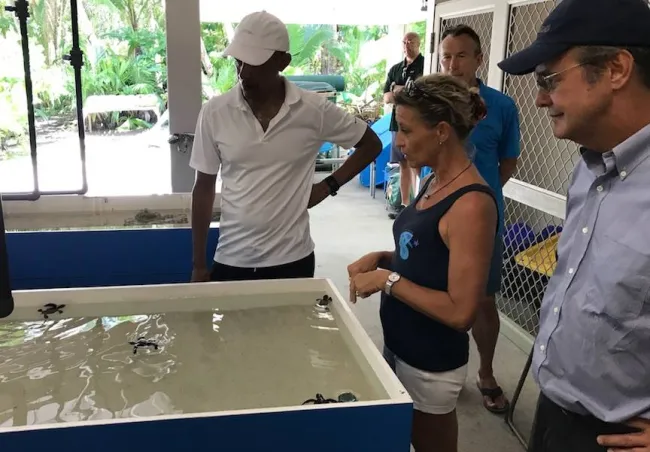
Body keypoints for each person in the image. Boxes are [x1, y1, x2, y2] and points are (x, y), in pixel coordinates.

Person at [497, 0, 650, 450]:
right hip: (555, 412)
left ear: (616, 69)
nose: (541, 98)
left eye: (550, 79)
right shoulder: (589, 166)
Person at [348, 74, 498, 452]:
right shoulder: (434, 181)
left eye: (407, 130)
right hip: (402, 343)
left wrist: (386, 279)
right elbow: (426, 255)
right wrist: (383, 258)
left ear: (442, 131)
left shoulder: (471, 204)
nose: (397, 141)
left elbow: (461, 311)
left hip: (430, 361)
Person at [189, 11, 382, 282]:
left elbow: (371, 144)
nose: (243, 72)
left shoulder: (313, 110)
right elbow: (204, 187)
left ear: (283, 61)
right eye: (238, 61)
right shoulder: (215, 113)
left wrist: (328, 186)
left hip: (293, 259)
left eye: (254, 62)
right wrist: (198, 264)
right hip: (232, 258)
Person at [437, 24, 521, 414]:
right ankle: (437, 370)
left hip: (484, 222)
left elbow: (507, 163)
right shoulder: (429, 102)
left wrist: (479, 198)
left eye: (461, 56)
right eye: (446, 56)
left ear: (479, 59)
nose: (452, 64)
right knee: (432, 291)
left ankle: (486, 372)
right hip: (434, 216)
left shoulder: (501, 107)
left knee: (483, 300)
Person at [383, 32, 425, 219]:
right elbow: (386, 98)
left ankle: (420, 203)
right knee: (402, 163)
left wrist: (397, 90)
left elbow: (420, 94)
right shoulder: (395, 69)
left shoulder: (425, 65)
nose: (408, 45)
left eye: (412, 42)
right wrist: (404, 91)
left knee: (417, 164)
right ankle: (404, 205)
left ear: (419, 43)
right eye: (405, 42)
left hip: (417, 124)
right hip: (396, 123)